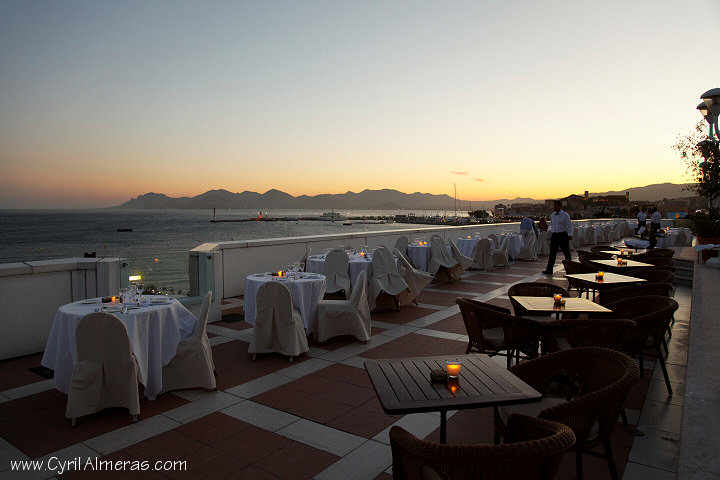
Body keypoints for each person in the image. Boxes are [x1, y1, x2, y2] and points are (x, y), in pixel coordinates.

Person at [542, 201, 573, 275]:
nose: (554, 207)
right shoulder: (552, 215)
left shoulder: (565, 215)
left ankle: (570, 269)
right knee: (552, 253)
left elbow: (570, 225)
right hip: (555, 235)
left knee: (566, 253)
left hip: (563, 235)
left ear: (559, 206)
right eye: (554, 206)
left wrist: (570, 234)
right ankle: (549, 269)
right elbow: (553, 225)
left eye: (555, 206)